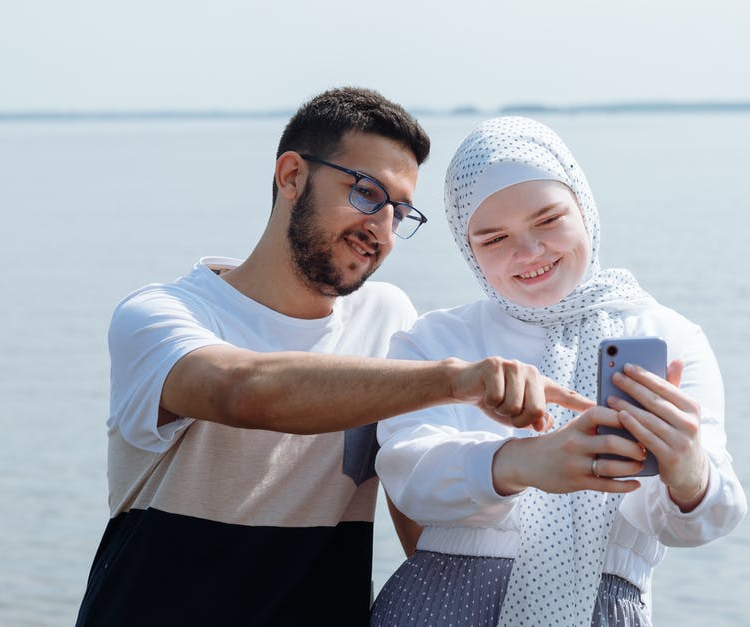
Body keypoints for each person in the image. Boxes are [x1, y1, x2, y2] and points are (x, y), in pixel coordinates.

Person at [74, 90, 597, 626]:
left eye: (400, 212)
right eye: (367, 193)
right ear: (291, 176)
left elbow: (423, 532)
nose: (383, 230)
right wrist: (456, 380)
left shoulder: (388, 318)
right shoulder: (160, 316)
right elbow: (242, 390)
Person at [371, 117, 747, 626]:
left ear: (584, 208)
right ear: (468, 249)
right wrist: (520, 463)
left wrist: (688, 471)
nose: (529, 252)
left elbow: (704, 522)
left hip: (599, 606)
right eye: (494, 238)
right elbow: (406, 475)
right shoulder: (436, 341)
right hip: (439, 606)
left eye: (548, 220)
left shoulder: (668, 337)